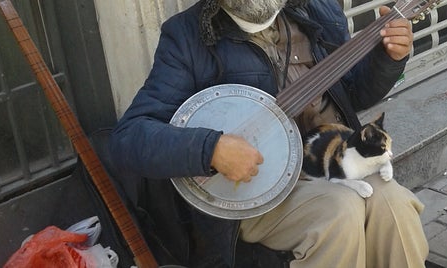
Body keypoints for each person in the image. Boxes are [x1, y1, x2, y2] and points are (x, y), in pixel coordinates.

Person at [107, 0, 429, 267]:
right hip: (258, 190)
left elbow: (353, 92)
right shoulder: (187, 36)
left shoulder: (316, 10)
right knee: (339, 212)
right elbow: (129, 138)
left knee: (394, 203)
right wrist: (211, 149)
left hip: (333, 161)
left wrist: (388, 58)